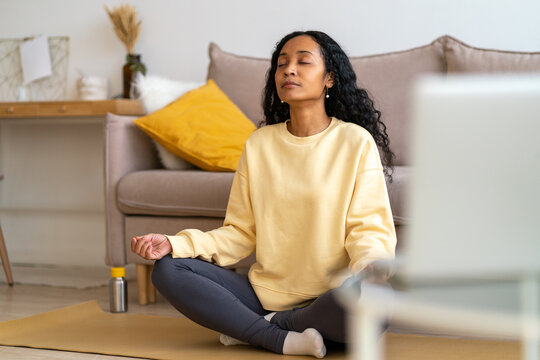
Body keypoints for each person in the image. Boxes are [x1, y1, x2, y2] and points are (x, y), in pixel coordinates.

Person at [131, 30, 397, 358]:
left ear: (329, 78)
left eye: (303, 62)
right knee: (168, 269)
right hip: (263, 293)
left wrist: (370, 269)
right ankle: (279, 336)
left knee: (374, 306)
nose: (288, 70)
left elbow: (369, 228)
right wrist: (176, 243)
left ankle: (257, 328)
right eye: (281, 64)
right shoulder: (259, 145)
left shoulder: (355, 142)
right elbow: (240, 234)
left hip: (330, 297)